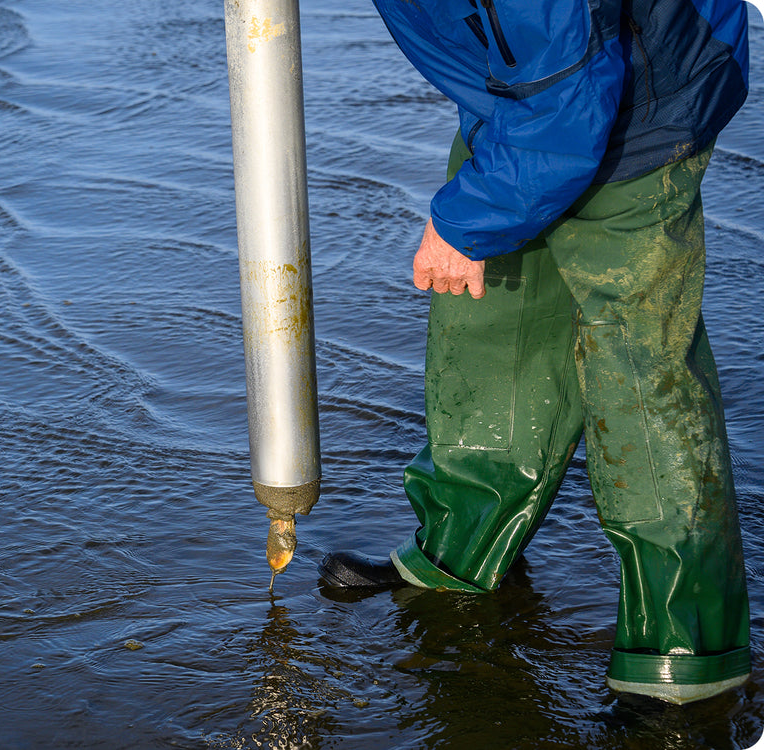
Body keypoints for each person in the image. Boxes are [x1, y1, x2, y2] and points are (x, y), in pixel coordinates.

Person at [318, 0, 752, 704]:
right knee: (492, 320)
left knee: (638, 379)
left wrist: (469, 219)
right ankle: (463, 546)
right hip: (529, 84)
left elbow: (569, 101)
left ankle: (683, 662)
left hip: (644, 99)